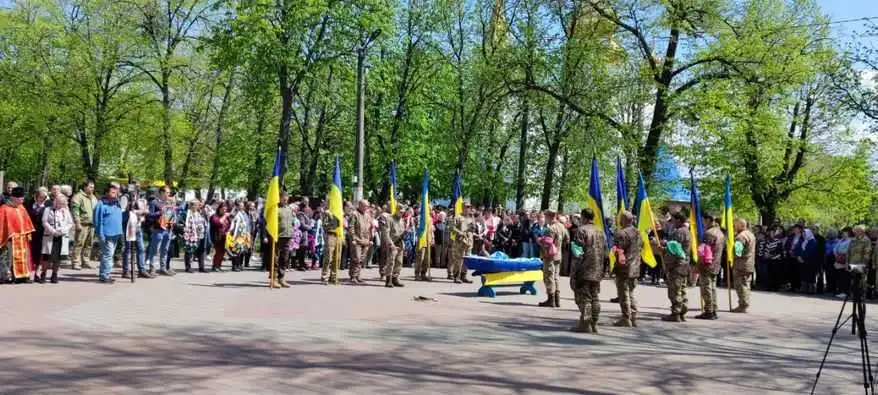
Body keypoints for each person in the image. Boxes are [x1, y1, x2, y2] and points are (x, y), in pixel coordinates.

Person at [569, 208, 606, 333]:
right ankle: (594, 322)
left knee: (584, 298)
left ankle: (585, 323)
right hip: (597, 269)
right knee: (594, 297)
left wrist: (573, 271)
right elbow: (605, 251)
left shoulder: (581, 231)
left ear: (584, 217)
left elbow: (577, 252)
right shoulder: (600, 231)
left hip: (584, 269)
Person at [658, 211, 691, 322]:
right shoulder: (686, 231)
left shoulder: (680, 232)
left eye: (673, 220)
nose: (672, 223)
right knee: (682, 289)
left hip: (677, 265)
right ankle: (682, 311)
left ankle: (676, 313)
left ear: (678, 220)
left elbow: (674, 249)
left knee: (675, 290)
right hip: (684, 264)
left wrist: (662, 249)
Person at [612, 210, 642, 327]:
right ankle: (633, 315)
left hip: (624, 267)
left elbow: (618, 250)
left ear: (623, 220)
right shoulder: (638, 232)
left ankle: (626, 317)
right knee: (630, 292)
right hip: (636, 266)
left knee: (623, 293)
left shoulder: (621, 234)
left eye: (620, 218)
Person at [0, 187, 35, 283]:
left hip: (22, 238)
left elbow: (27, 221)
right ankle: (9, 276)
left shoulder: (22, 208)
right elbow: (1, 225)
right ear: (14, 198)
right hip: (11, 239)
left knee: (24, 257)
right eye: (21, 198)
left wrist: (28, 233)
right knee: (10, 259)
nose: (23, 200)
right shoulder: (4, 209)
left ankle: (23, 276)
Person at [696, 213, 725, 320]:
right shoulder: (720, 233)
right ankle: (713, 309)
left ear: (708, 220)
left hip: (707, 264)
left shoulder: (709, 233)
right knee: (712, 288)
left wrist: (699, 264)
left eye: (703, 220)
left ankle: (709, 311)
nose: (703, 223)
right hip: (716, 264)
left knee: (706, 288)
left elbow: (705, 250)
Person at [39, 194, 73, 283]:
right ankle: (43, 274)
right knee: (46, 257)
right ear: (55, 202)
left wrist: (63, 230)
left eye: (62, 203)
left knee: (58, 257)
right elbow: (44, 221)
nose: (61, 205)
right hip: (50, 235)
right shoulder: (48, 209)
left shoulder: (65, 211)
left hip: (61, 236)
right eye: (59, 203)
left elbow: (70, 223)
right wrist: (53, 231)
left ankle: (54, 275)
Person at [93, 184, 123, 284]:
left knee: (109, 254)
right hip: (106, 234)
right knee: (108, 255)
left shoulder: (117, 203)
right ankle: (104, 276)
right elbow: (97, 221)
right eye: (112, 192)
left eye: (115, 192)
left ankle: (106, 274)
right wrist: (100, 234)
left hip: (116, 234)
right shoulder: (101, 204)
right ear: (106, 193)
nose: (114, 194)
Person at [538, 210, 569, 308]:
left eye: (546, 216)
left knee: (548, 277)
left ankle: (551, 299)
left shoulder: (550, 229)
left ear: (550, 217)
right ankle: (557, 299)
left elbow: (547, 244)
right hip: (558, 255)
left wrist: (540, 242)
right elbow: (567, 239)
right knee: (555, 277)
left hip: (549, 256)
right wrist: (558, 247)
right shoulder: (562, 226)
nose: (545, 219)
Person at [120, 185, 152, 279]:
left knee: (141, 248)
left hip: (137, 226)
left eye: (137, 190)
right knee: (127, 248)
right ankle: (125, 271)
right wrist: (131, 211)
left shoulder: (140, 199)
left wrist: (142, 211)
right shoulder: (125, 198)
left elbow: (145, 210)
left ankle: (141, 269)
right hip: (128, 226)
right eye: (135, 189)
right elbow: (122, 212)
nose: (136, 192)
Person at [146, 186, 177, 276]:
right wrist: (159, 213)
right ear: (161, 192)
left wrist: (174, 215)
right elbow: (149, 216)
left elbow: (172, 214)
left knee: (165, 249)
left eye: (169, 193)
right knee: (155, 249)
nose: (168, 195)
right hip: (158, 229)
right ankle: (152, 268)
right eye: (167, 193)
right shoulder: (154, 202)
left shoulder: (169, 203)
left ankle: (163, 267)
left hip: (168, 228)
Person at [730, 218, 756, 312]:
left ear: (741, 225)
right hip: (749, 264)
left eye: (736, 224)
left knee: (740, 285)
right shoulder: (751, 234)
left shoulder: (740, 237)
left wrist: (731, 254)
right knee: (746, 285)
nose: (734, 226)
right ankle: (745, 303)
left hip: (741, 265)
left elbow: (738, 252)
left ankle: (743, 305)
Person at [70, 181, 96, 270]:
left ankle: (86, 261)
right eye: (90, 187)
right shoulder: (78, 197)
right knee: (79, 243)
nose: (92, 189)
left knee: (89, 244)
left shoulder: (93, 197)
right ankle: (76, 262)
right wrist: (77, 223)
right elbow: (75, 211)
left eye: (93, 187)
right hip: (82, 224)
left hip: (92, 225)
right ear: (85, 187)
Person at [349, 200, 373, 284]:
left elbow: (370, 229)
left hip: (365, 240)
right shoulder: (354, 214)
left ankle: (358, 275)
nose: (366, 208)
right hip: (357, 239)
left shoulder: (368, 215)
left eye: (367, 206)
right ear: (360, 205)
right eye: (365, 206)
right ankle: (354, 276)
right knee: (356, 258)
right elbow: (351, 227)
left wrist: (370, 240)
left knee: (362, 259)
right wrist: (353, 239)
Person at [449, 205, 474, 284]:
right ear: (462, 208)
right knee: (458, 260)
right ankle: (456, 277)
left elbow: (472, 229)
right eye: (466, 207)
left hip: (468, 242)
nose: (468, 209)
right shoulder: (458, 217)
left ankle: (464, 276)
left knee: (467, 260)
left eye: (469, 207)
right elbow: (451, 227)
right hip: (459, 242)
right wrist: (460, 232)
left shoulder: (470, 218)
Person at [27, 187, 49, 274]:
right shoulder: (30, 205)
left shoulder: (47, 206)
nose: (41, 199)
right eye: (39, 196)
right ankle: (30, 270)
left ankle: (38, 272)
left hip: (42, 232)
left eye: (43, 197)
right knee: (31, 251)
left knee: (40, 252)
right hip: (31, 231)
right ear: (36, 197)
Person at [183, 200, 209, 273]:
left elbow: (204, 222)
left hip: (200, 234)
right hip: (190, 234)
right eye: (193, 205)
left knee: (201, 251)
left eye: (197, 205)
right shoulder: (186, 213)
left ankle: (201, 267)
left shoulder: (200, 213)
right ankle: (188, 267)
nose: (195, 206)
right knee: (189, 250)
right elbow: (181, 222)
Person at [383, 205, 407, 288]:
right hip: (392, 243)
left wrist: (406, 232)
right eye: (400, 212)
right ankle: (388, 280)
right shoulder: (389, 219)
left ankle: (395, 278)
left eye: (403, 212)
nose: (402, 213)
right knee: (391, 262)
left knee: (399, 262)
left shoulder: (402, 220)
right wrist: (390, 244)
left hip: (400, 243)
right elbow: (386, 233)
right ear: (396, 210)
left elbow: (402, 231)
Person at [227, 201, 252, 272]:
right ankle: (234, 265)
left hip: (243, 235)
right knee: (235, 250)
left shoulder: (245, 214)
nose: (241, 207)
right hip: (235, 234)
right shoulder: (234, 214)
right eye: (240, 206)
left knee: (241, 250)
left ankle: (239, 264)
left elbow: (247, 224)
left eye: (242, 206)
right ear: (237, 206)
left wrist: (248, 233)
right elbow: (231, 222)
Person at [320, 206, 342, 284]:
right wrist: (331, 217)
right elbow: (325, 225)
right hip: (331, 235)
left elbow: (342, 224)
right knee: (328, 256)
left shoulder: (340, 211)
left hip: (339, 236)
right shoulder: (327, 213)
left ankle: (333, 276)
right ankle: (324, 276)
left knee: (337, 258)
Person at [210, 203, 231, 272]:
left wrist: (228, 231)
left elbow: (229, 225)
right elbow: (218, 223)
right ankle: (215, 266)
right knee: (218, 252)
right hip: (217, 236)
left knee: (222, 252)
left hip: (224, 237)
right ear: (219, 209)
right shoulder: (214, 216)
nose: (224, 211)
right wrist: (224, 216)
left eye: (226, 209)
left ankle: (219, 266)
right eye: (223, 209)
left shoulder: (226, 217)